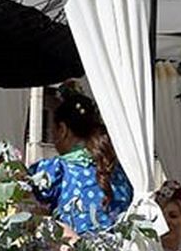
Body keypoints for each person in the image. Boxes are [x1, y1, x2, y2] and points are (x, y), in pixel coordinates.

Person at [28, 90, 132, 235]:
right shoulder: (119, 170)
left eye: (54, 130)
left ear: (63, 130)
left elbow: (24, 201)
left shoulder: (55, 170)